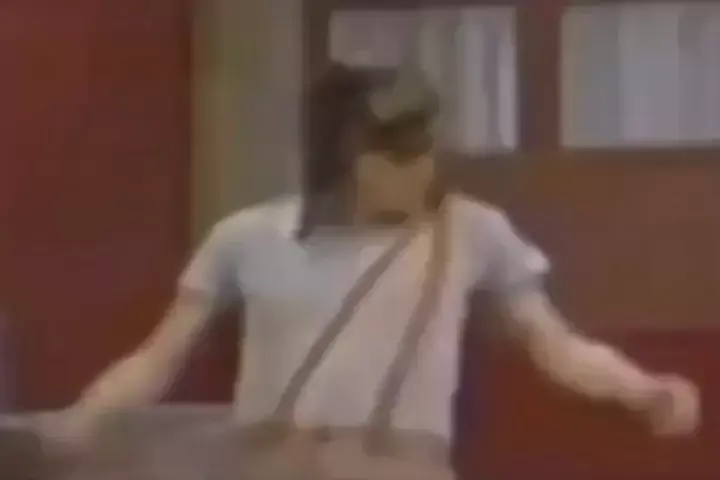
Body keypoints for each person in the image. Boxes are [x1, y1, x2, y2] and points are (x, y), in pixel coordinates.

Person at [44, 63, 700, 478]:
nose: (420, 171)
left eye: (425, 152)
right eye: (397, 155)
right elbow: (158, 358)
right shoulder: (247, 236)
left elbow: (553, 342)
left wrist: (641, 388)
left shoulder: (469, 232)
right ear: (346, 157)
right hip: (272, 463)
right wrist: (84, 419)